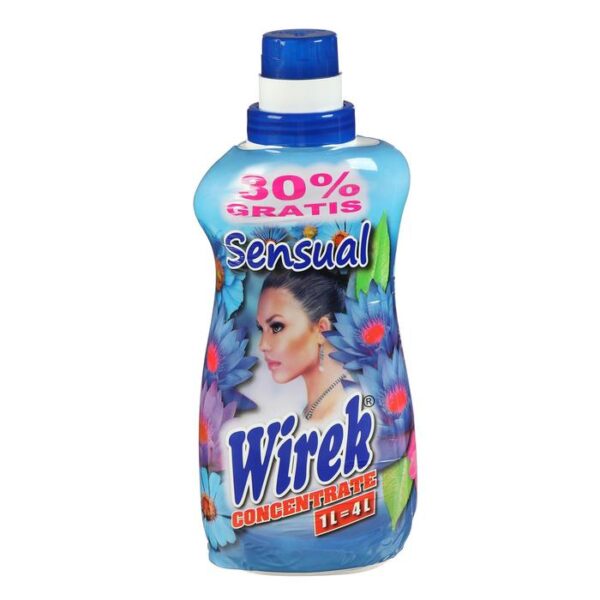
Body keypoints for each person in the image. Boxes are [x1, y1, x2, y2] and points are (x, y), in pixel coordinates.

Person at [256, 269, 354, 422]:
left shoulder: (350, 408)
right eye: (261, 329)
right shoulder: (312, 409)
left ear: (322, 330)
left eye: (276, 327)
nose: (262, 345)